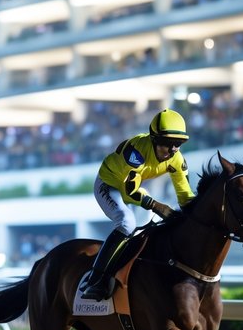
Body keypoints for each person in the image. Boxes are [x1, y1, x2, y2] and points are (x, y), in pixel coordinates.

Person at [79, 108, 195, 301]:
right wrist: (158, 206)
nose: (174, 149)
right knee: (126, 222)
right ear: (155, 139)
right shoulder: (136, 152)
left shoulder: (176, 158)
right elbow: (129, 190)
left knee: (149, 228)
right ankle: (95, 279)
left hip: (134, 187)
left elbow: (185, 196)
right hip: (110, 185)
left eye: (179, 143)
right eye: (168, 144)